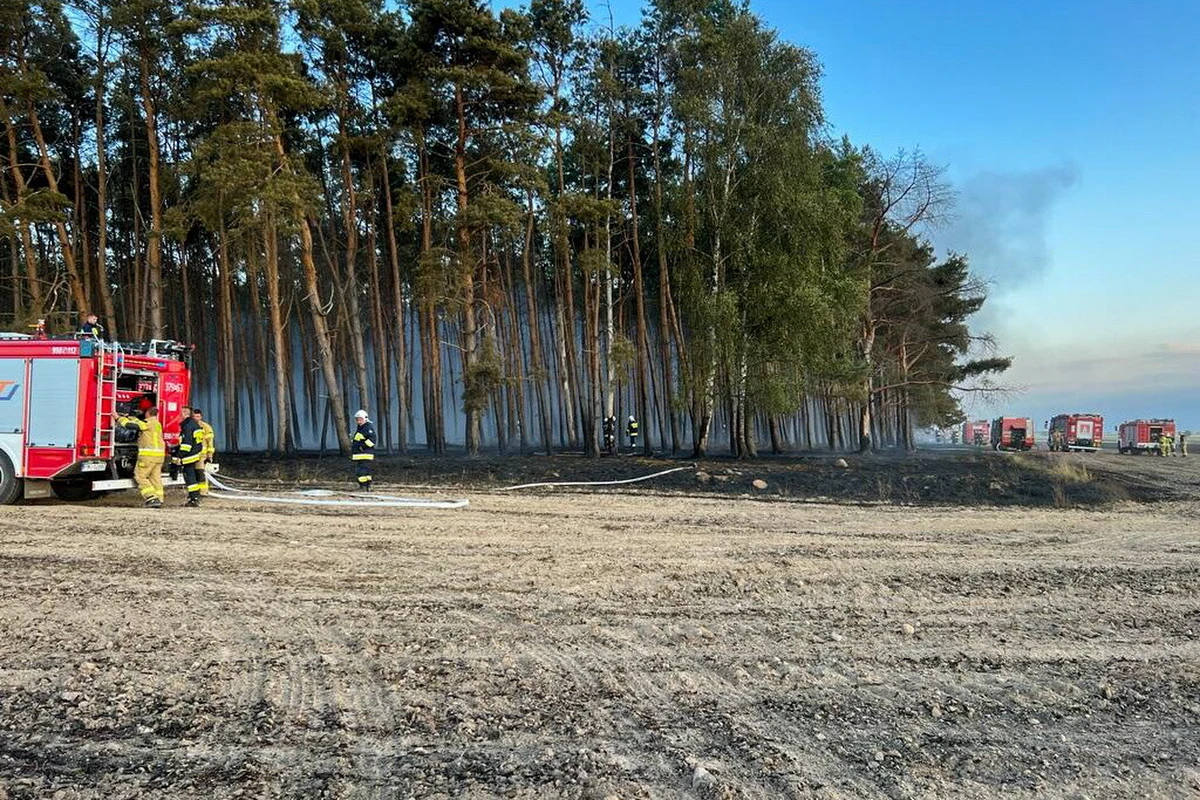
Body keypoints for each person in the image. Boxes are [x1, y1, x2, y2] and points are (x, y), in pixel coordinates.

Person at [114, 406, 165, 508]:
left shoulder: (148, 423)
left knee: (140, 476)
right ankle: (159, 499)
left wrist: (118, 418)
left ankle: (151, 497)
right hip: (159, 457)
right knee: (155, 479)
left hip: (148, 457)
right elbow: (138, 422)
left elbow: (130, 425)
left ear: (147, 413)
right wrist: (129, 417)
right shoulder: (156, 423)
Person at [177, 405, 205, 507]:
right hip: (194, 454)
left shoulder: (188, 426)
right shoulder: (194, 424)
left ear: (185, 413)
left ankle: (194, 499)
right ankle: (195, 497)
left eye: (181, 413)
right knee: (192, 475)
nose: (179, 415)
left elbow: (186, 445)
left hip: (189, 455)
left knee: (190, 477)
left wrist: (179, 456)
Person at [192, 407, 215, 495]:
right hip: (192, 454)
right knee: (193, 473)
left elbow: (210, 442)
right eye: (194, 416)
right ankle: (196, 491)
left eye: (198, 416)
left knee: (200, 472)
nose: (196, 418)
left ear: (201, 417)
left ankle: (203, 491)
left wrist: (210, 455)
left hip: (201, 455)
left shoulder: (206, 427)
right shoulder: (190, 426)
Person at [351, 409, 376, 491]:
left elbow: (372, 440)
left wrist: (363, 446)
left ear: (365, 419)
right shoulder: (361, 428)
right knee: (365, 471)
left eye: (360, 419)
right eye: (357, 419)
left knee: (361, 471)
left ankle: (364, 486)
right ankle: (367, 486)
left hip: (365, 454)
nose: (359, 421)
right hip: (361, 454)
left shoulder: (368, 427)